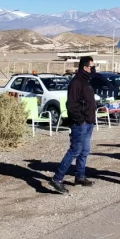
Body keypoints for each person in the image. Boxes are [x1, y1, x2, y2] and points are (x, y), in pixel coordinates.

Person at [50, 56, 97, 194]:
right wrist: (80, 120)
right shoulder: (76, 82)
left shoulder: (86, 80)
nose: (93, 69)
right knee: (75, 150)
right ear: (85, 67)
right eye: (91, 67)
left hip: (88, 122)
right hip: (80, 123)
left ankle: (80, 176)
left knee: (85, 150)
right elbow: (71, 105)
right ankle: (57, 179)